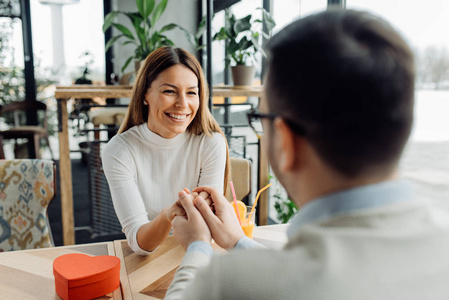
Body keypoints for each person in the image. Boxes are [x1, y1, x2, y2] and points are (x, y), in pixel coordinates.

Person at [165, 9, 449, 299]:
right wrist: (237, 240)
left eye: (260, 117)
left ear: (286, 140)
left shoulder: (229, 283)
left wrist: (198, 246)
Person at [102, 47, 230, 255]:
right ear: (146, 94)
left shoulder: (210, 143)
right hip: (149, 262)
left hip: (199, 252)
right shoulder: (119, 150)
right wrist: (169, 215)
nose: (182, 104)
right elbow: (139, 243)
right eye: (169, 91)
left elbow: (208, 224)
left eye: (191, 92)